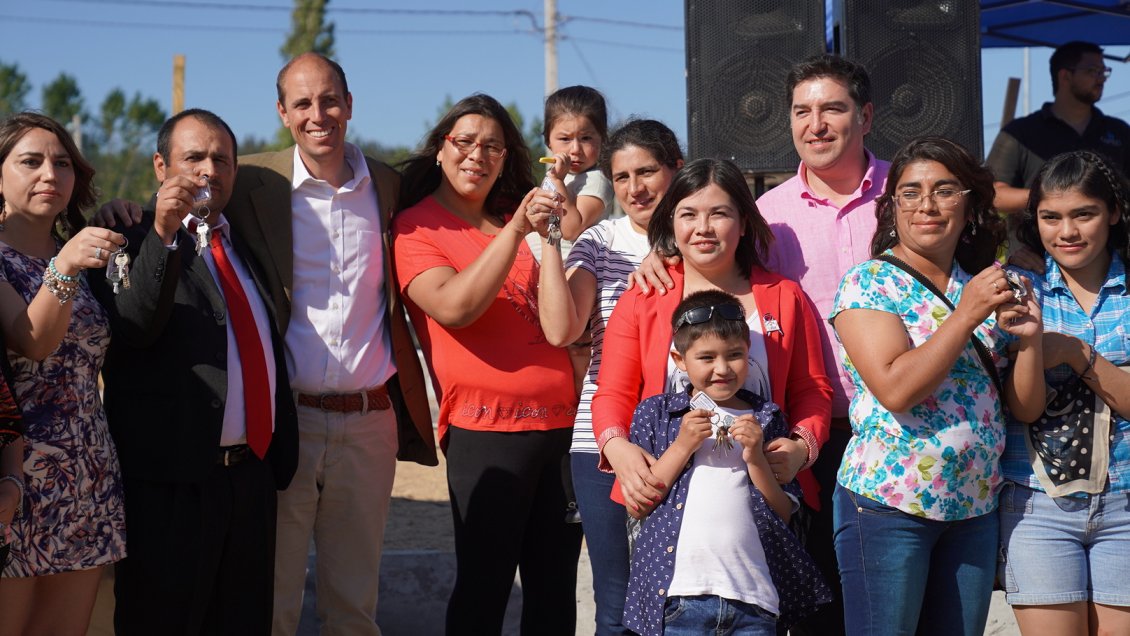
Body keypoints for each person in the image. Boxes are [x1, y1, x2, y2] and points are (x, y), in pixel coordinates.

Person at [225, 53, 438, 636]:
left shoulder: (392, 187)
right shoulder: (251, 182)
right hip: (284, 422)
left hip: (370, 423)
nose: (318, 114)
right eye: (302, 103)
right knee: (270, 602)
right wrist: (123, 213)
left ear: (350, 104)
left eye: (329, 100)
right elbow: (180, 189)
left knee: (353, 607)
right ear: (282, 113)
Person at [92, 108, 299, 635]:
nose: (210, 169)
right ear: (161, 166)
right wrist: (161, 233)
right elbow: (136, 326)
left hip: (249, 481)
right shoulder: (125, 237)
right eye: (193, 157)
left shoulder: (244, 245)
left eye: (222, 158)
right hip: (171, 487)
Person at [392, 93, 582, 635]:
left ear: (505, 159)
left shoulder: (515, 219)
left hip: (564, 429)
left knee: (554, 595)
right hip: (486, 433)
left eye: (493, 145)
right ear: (439, 151)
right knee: (484, 593)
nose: (478, 153)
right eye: (465, 141)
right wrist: (518, 232)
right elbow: (455, 307)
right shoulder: (415, 227)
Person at [590, 158, 832, 557]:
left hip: (766, 503)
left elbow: (812, 389)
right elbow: (612, 391)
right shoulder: (644, 298)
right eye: (688, 214)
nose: (702, 228)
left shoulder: (785, 297)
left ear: (743, 221)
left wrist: (802, 448)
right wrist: (616, 447)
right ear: (671, 223)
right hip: (665, 499)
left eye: (719, 213)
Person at [829, 136, 1012, 635]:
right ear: (892, 208)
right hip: (891, 505)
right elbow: (894, 387)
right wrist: (969, 314)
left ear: (969, 202)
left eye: (944, 190)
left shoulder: (980, 281)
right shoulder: (869, 283)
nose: (926, 204)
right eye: (910, 192)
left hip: (973, 505)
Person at [753, 53, 888, 634]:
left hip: (908, 428)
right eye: (802, 111)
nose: (817, 124)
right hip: (815, 433)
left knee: (897, 599)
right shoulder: (767, 217)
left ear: (866, 115)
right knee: (821, 604)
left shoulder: (910, 194)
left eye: (833, 108)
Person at [535, 118, 683, 636]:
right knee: (616, 605)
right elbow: (560, 329)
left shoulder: (708, 235)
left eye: (647, 172)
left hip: (690, 437)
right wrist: (551, 238)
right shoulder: (599, 239)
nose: (635, 188)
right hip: (599, 442)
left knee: (689, 600)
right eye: (621, 178)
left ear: (677, 170)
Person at [623, 289, 830, 636]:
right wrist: (683, 445)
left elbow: (782, 511)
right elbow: (641, 503)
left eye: (734, 355)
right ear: (679, 358)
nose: (722, 368)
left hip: (754, 600)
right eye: (706, 357)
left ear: (749, 355)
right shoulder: (657, 414)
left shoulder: (766, 417)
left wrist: (756, 459)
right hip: (677, 598)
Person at [0, 112, 127, 634]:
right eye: (30, 161)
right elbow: (32, 340)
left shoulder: (83, 247)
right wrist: (66, 266)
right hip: (15, 478)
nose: (50, 172)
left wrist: (127, 221)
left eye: (62, 162)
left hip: (87, 472)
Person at [996, 151, 1130, 636]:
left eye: (1083, 214)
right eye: (1051, 217)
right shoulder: (1018, 288)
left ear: (1113, 212)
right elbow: (1024, 408)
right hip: (1037, 503)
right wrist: (1031, 343)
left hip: (1126, 501)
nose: (1066, 232)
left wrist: (1076, 352)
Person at [987, 41, 1130, 215]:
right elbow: (993, 194)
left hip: (1110, 242)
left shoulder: (1120, 132)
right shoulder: (1020, 132)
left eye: (1103, 72)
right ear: (1065, 76)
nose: (1100, 78)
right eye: (1092, 71)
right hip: (1035, 241)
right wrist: (1050, 197)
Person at [526, 84, 613, 262]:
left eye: (586, 138)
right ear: (548, 141)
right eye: (565, 139)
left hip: (569, 273)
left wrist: (557, 181)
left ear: (602, 139)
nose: (575, 149)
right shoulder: (558, 174)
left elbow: (571, 229)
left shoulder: (596, 180)